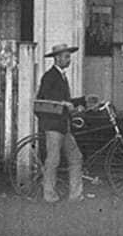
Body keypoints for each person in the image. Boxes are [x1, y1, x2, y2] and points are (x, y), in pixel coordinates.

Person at [34, 43, 86, 203]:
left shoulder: (62, 76)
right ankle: (49, 196)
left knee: (76, 158)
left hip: (64, 125)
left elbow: (66, 101)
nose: (69, 60)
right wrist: (63, 103)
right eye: (66, 57)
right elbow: (42, 99)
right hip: (53, 126)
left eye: (69, 56)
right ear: (57, 58)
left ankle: (75, 195)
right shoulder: (50, 76)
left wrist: (83, 100)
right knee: (53, 161)